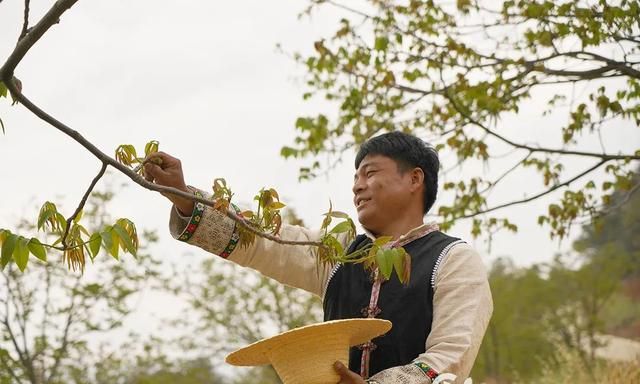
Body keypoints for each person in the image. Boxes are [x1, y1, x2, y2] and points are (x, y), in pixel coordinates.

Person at [144, 131, 493, 384]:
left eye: (370, 173)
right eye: (355, 177)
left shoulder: (453, 260)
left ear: (415, 178)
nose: (357, 185)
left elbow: (450, 358)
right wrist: (185, 198)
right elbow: (268, 243)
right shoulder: (338, 254)